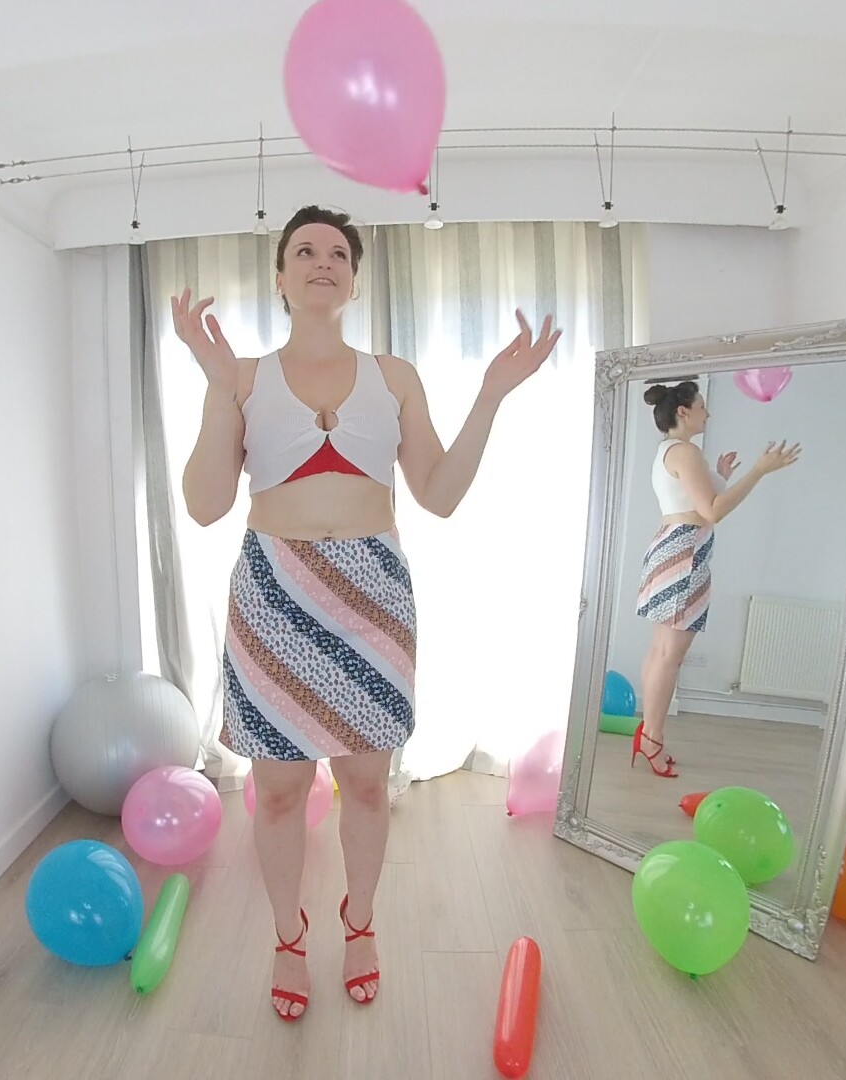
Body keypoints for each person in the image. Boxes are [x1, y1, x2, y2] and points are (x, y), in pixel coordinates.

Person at [174, 206, 560, 1021]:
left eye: (338, 253)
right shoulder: (241, 376)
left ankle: (359, 922)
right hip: (273, 593)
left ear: (353, 279)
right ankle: (288, 935)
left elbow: (440, 494)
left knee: (366, 784)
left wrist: (491, 394)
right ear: (280, 278)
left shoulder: (395, 376)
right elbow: (205, 505)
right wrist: (214, 389)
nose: (323, 261)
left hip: (373, 596)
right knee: (280, 791)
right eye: (304, 250)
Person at [631, 380, 799, 778]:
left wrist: (720, 475)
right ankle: (652, 739)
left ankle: (649, 735)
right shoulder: (686, 451)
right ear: (683, 411)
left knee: (660, 652)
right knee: (669, 656)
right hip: (685, 552)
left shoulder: (670, 451)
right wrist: (759, 470)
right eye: (702, 406)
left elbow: (693, 502)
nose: (708, 413)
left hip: (673, 547)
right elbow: (712, 511)